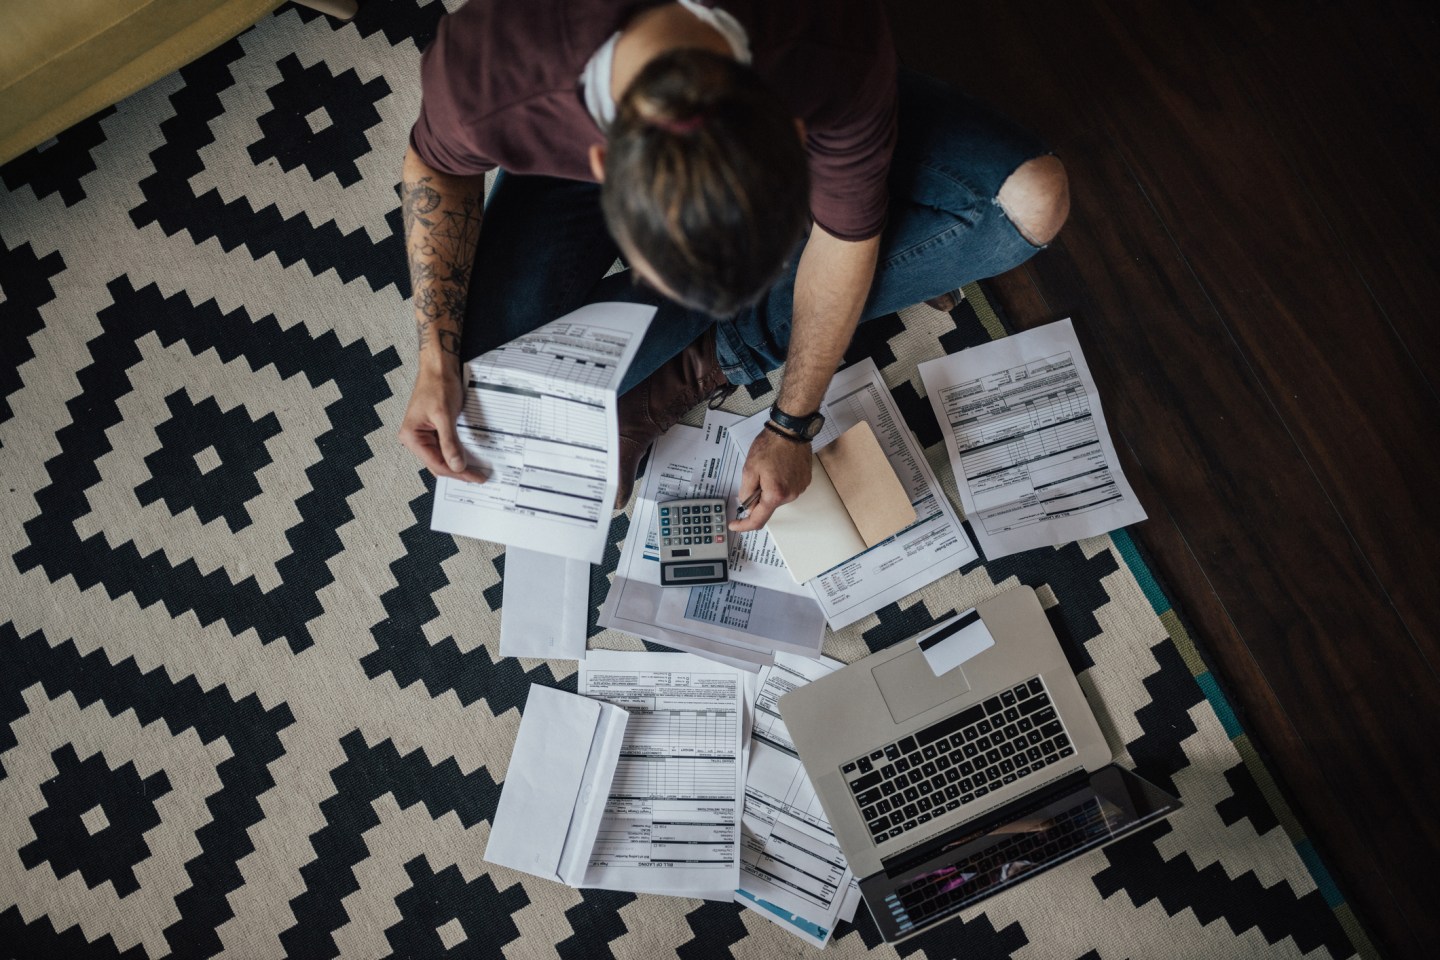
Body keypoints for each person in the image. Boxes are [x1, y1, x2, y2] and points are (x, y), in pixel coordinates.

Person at [396, 0, 1068, 533]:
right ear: (600, 163)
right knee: (487, 389)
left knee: (1030, 203)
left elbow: (846, 238)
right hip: (576, 94)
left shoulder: (829, 43)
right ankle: (718, 333)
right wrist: (435, 356)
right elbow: (435, 166)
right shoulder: (493, 71)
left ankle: (709, 358)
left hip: (812, 67)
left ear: (796, 135)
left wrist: (792, 420)